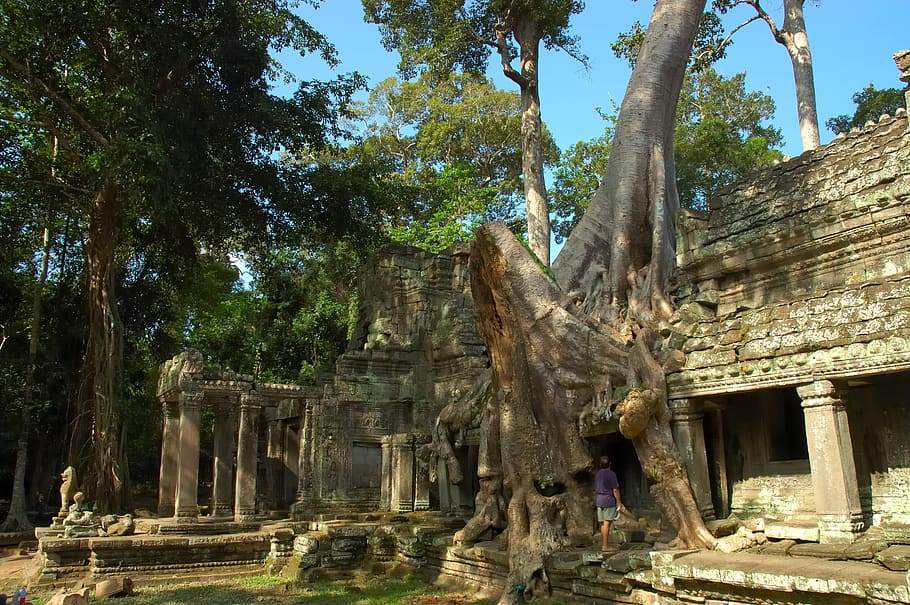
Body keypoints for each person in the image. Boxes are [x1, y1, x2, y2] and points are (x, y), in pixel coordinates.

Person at [595, 455, 624, 553]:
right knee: (607, 523)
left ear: (600, 465)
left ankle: (604, 544)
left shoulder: (598, 474)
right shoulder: (611, 474)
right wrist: (619, 502)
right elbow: (615, 489)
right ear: (610, 464)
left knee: (603, 523)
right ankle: (605, 546)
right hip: (608, 500)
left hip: (599, 499)